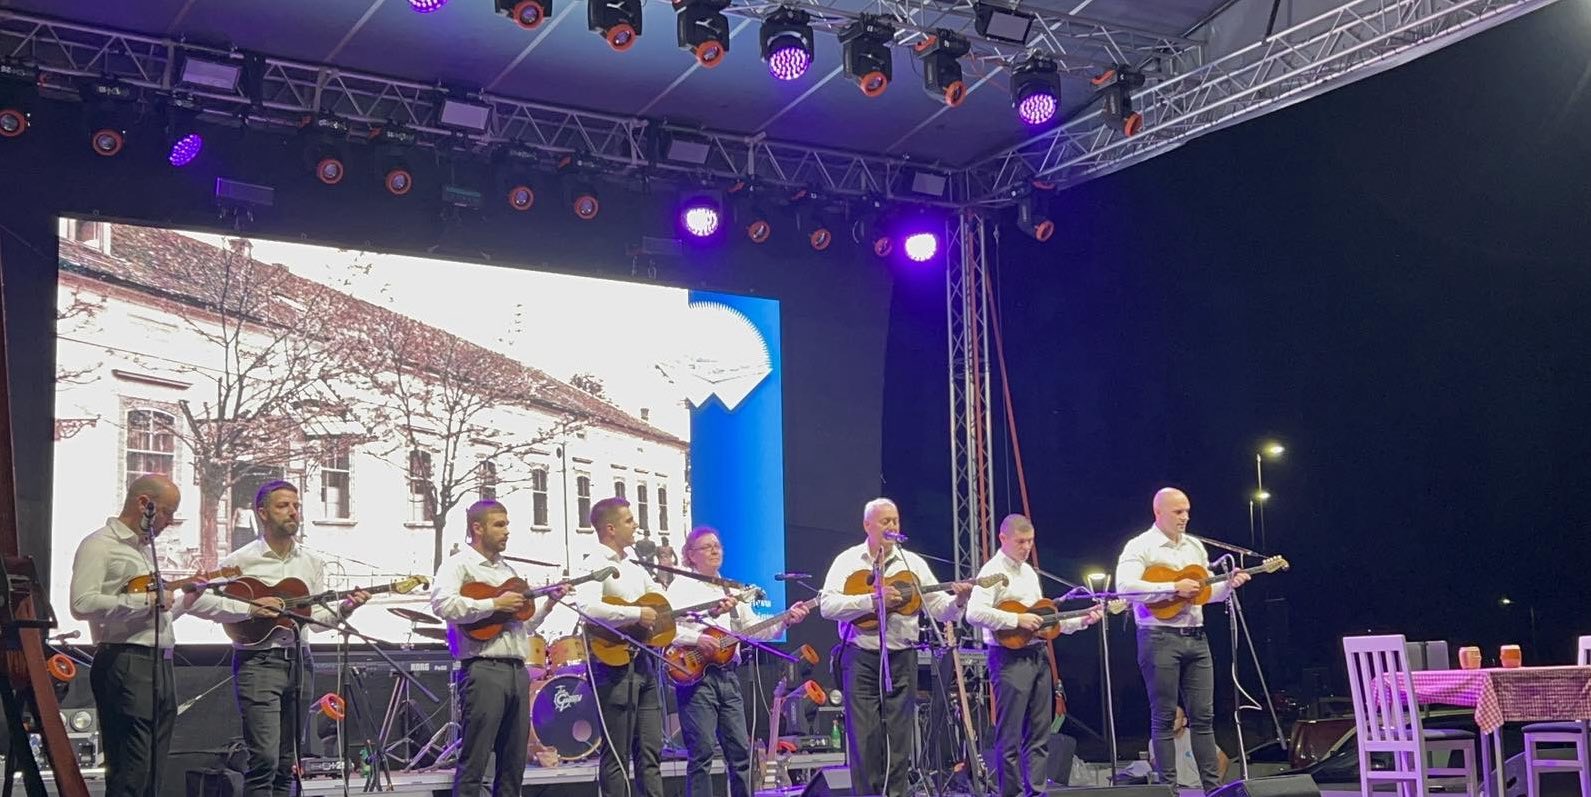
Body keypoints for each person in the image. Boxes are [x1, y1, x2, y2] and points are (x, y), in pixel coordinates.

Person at [186, 480, 371, 797]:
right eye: (283, 506)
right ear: (262, 513)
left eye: (296, 506)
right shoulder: (239, 561)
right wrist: (250, 608)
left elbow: (315, 620)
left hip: (300, 663)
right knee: (265, 761)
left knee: (288, 763)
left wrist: (346, 608)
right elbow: (199, 603)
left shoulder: (311, 562)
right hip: (258, 663)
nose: (293, 512)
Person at [572, 497, 731, 797]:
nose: (636, 525)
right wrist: (635, 614)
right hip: (612, 665)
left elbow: (663, 605)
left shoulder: (634, 566)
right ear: (610, 528)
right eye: (629, 520)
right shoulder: (594, 562)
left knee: (650, 751)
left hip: (643, 663)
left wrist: (707, 610)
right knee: (617, 753)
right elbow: (587, 607)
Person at [819, 498, 971, 797]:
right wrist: (872, 600)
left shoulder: (912, 563)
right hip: (861, 658)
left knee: (899, 739)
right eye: (885, 521)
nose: (891, 526)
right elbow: (827, 606)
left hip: (902, 657)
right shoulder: (848, 561)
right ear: (867, 525)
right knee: (864, 740)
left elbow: (939, 608)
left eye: (895, 520)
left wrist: (959, 600)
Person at [1115, 488, 1249, 792]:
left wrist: (1228, 586)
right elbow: (1125, 588)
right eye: (1178, 512)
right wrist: (1173, 587)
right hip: (1158, 637)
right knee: (1164, 717)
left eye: (1187, 511)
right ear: (1158, 512)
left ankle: (1212, 789)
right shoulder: (1141, 545)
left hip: (1196, 637)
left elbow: (1205, 594)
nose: (1185, 517)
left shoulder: (1194, 546)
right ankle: (1169, 790)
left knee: (1203, 717)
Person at [430, 500, 568, 796]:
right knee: (475, 760)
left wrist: (549, 604)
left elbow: (521, 626)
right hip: (484, 669)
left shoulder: (508, 570)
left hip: (517, 671)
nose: (507, 531)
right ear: (477, 528)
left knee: (513, 763)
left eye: (507, 525)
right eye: (499, 525)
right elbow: (443, 604)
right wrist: (494, 603)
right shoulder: (458, 564)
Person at [68, 474, 194, 797]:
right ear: (144, 504)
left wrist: (186, 602)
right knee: (132, 769)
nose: (169, 521)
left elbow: (152, 618)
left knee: (153, 770)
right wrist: (147, 601)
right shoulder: (100, 544)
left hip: (159, 663)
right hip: (126, 661)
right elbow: (82, 603)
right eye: (167, 512)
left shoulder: (144, 550)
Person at [964, 514, 1101, 797]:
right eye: (1021, 542)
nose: (1026, 547)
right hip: (1008, 658)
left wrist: (1081, 621)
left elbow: (1042, 623)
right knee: (1010, 734)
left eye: (1030, 541)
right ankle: (1012, 793)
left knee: (1040, 733)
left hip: (1038, 655)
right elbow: (974, 613)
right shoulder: (992, 571)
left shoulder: (1028, 572)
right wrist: (1017, 620)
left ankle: (1036, 791)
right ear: (1003, 538)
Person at [668, 525, 810, 797]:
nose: (715, 550)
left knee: (740, 752)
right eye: (707, 547)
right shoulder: (681, 587)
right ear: (690, 555)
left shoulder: (730, 589)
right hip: (696, 677)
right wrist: (698, 639)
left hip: (728, 676)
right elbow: (666, 629)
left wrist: (785, 620)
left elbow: (755, 629)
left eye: (717, 546)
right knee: (702, 753)